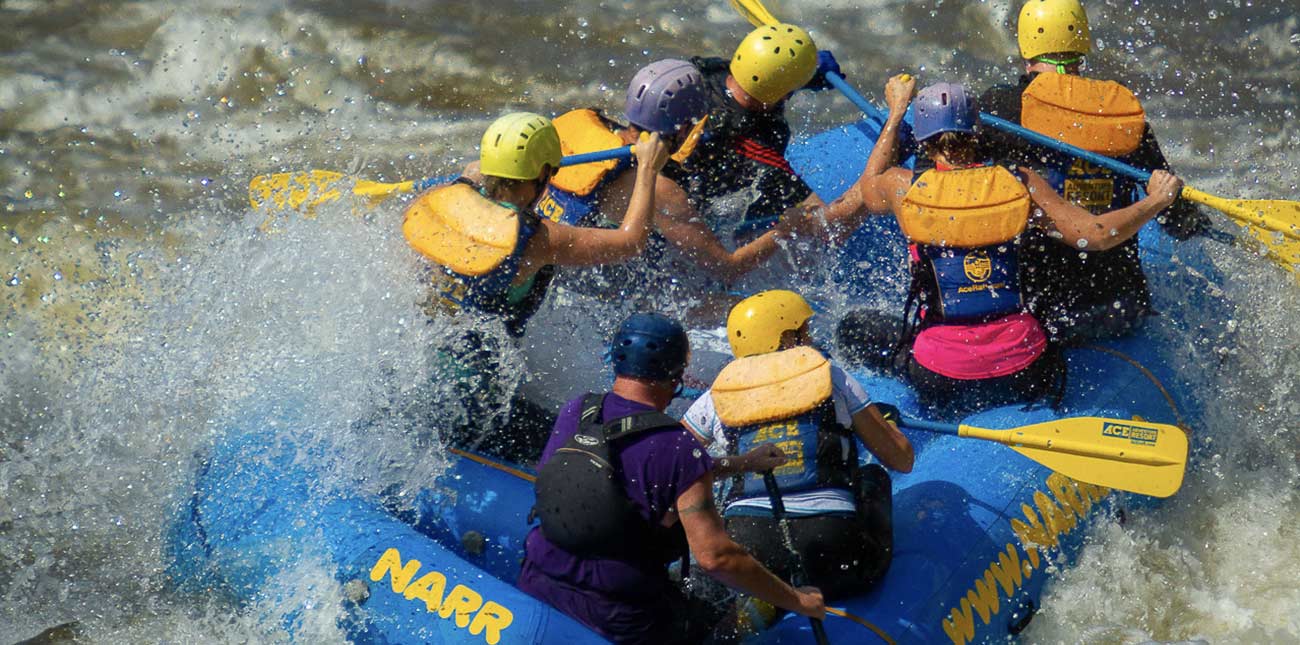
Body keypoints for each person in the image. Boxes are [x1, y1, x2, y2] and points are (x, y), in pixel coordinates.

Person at [812, 77, 1184, 411]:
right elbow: (1096, 234)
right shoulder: (1019, 183)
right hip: (1025, 371)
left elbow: (869, 181)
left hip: (940, 376)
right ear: (978, 131)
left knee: (853, 327)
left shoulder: (902, 187)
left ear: (924, 140)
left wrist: (896, 113)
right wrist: (1156, 200)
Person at [522, 313, 826, 644]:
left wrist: (742, 463)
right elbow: (715, 557)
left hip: (537, 579)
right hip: (618, 616)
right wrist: (798, 600)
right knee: (713, 605)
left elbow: (631, 469)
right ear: (676, 372)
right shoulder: (678, 446)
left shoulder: (578, 410)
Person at [402, 112, 670, 461]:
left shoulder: (440, 200)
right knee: (610, 447)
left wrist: (467, 180)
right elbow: (631, 242)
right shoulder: (535, 239)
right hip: (473, 409)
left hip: (415, 378)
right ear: (544, 174)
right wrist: (648, 170)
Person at [978, 0, 1211, 341]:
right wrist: (1194, 219)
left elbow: (952, 171)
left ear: (1026, 50)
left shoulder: (999, 110)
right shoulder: (1120, 118)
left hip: (1038, 309)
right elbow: (1176, 221)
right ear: (1082, 46)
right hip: (1117, 307)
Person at [682, 290, 913, 601]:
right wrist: (888, 426)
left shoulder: (715, 397)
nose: (811, 339)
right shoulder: (833, 377)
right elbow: (901, 459)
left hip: (749, 545)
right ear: (788, 336)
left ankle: (758, 603)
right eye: (805, 330)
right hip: (833, 547)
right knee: (873, 475)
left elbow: (672, 464)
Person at [537, 59, 803, 286]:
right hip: (594, 287)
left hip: (551, 262)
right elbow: (726, 268)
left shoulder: (585, 127)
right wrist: (788, 228)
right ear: (686, 128)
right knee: (721, 300)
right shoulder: (661, 190)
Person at [664, 24, 838, 240]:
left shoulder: (704, 71)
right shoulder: (755, 145)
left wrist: (805, 74)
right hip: (685, 222)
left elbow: (758, 81)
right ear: (785, 95)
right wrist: (870, 188)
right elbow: (825, 223)